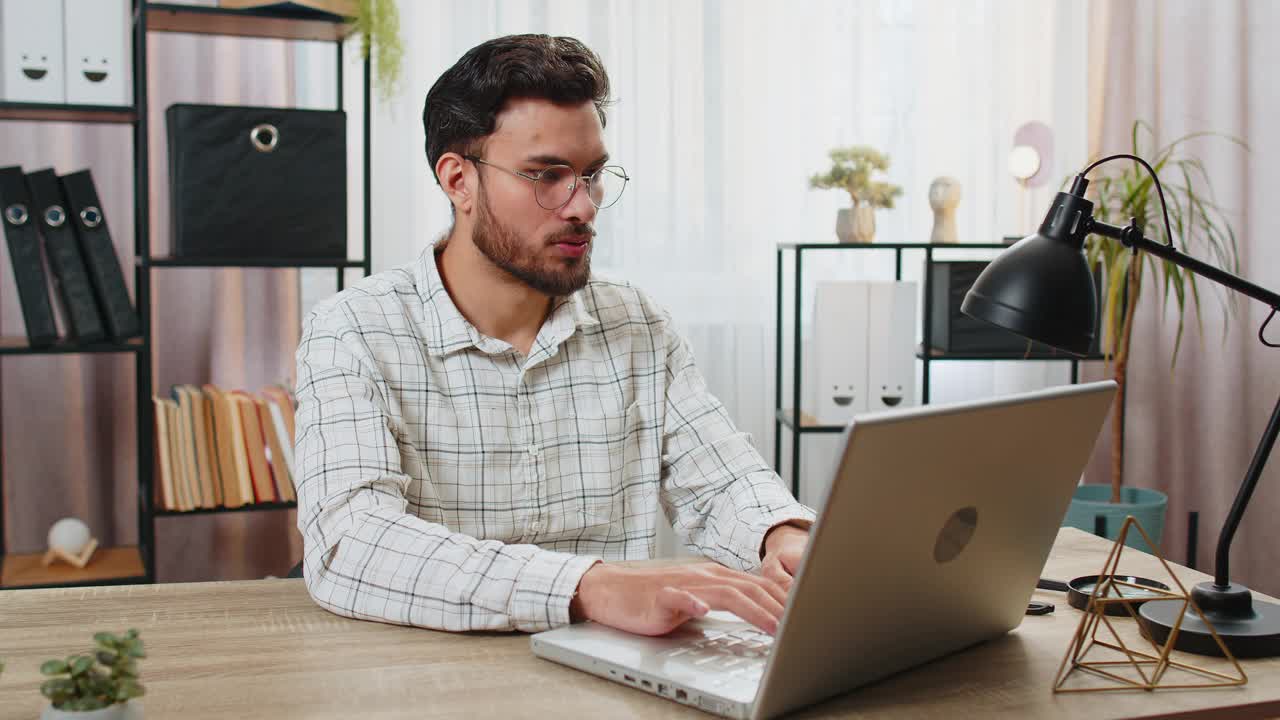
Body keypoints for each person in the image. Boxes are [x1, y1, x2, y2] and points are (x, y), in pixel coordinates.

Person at [294, 33, 815, 637]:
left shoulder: (637, 322)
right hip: (429, 677)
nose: (583, 207)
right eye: (547, 176)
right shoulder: (353, 330)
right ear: (458, 181)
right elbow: (348, 545)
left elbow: (724, 480)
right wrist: (589, 586)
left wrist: (781, 535)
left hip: (618, 672)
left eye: (591, 175)